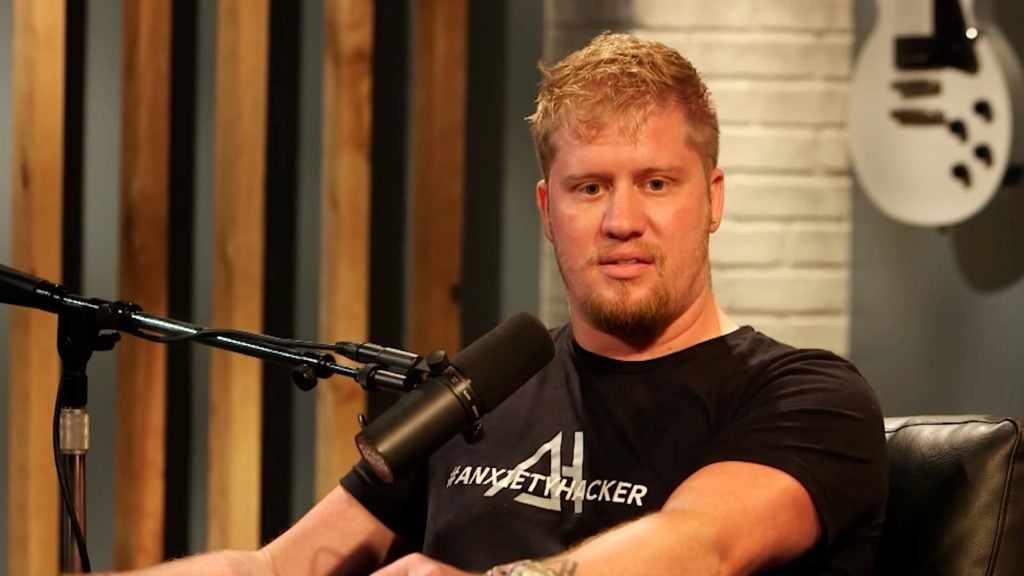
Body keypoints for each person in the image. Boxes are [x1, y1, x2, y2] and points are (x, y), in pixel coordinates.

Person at [101, 32, 886, 576]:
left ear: (712, 199)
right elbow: (278, 566)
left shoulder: (806, 397)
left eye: (656, 183)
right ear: (547, 210)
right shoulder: (481, 391)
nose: (622, 220)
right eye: (589, 188)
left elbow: (699, 549)